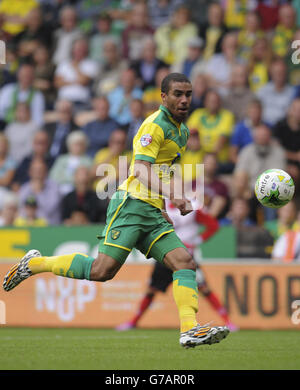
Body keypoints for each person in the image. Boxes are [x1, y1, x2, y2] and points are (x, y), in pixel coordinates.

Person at [3, 72, 229, 349]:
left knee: (184, 262)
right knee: (101, 271)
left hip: (152, 212)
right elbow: (140, 170)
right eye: (178, 94)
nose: (184, 100)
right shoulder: (154, 126)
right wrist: (174, 196)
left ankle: (189, 329)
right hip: (131, 206)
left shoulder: (181, 131)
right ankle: (35, 264)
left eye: (188, 94)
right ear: (163, 97)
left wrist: (161, 207)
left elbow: (162, 170)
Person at [116, 198, 238, 332]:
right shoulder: (160, 205)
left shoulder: (191, 208)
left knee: (204, 288)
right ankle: (133, 322)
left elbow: (213, 225)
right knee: (151, 290)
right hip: (165, 254)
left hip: (185, 256)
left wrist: (197, 240)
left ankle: (228, 322)